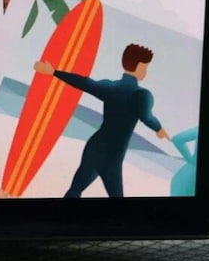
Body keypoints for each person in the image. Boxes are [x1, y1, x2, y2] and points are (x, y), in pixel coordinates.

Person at [35, 43, 168, 199]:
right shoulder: (141, 95)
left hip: (95, 147)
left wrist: (53, 72)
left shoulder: (110, 86)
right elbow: (147, 117)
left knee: (75, 190)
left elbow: (84, 83)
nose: (145, 71)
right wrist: (159, 129)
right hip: (112, 155)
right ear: (139, 66)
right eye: (145, 67)